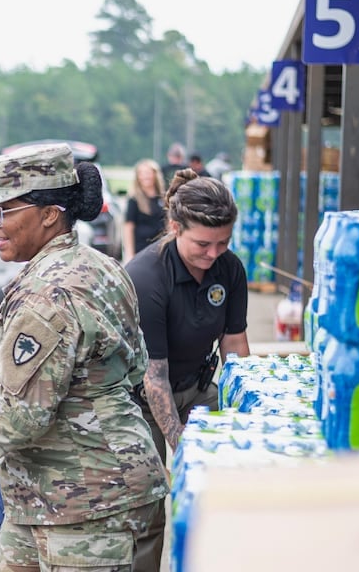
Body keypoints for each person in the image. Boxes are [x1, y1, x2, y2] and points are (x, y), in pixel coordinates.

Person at [0, 143, 168, 572]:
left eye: (4, 210)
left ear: (50, 213)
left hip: (88, 502)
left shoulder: (47, 293)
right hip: (52, 495)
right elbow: (135, 364)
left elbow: (21, 416)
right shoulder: (102, 266)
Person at [123, 169, 251, 571]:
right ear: (175, 227)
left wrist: (246, 408)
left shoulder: (229, 269)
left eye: (223, 243)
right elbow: (153, 377)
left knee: (231, 478)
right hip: (141, 401)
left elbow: (235, 346)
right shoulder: (146, 278)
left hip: (197, 388)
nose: (214, 254)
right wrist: (181, 444)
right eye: (203, 244)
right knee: (148, 505)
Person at [122, 158, 167, 263]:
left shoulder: (163, 198)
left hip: (160, 249)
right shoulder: (134, 200)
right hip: (141, 249)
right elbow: (128, 227)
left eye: (147, 173)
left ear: (155, 174)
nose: (145, 176)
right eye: (141, 173)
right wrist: (129, 253)